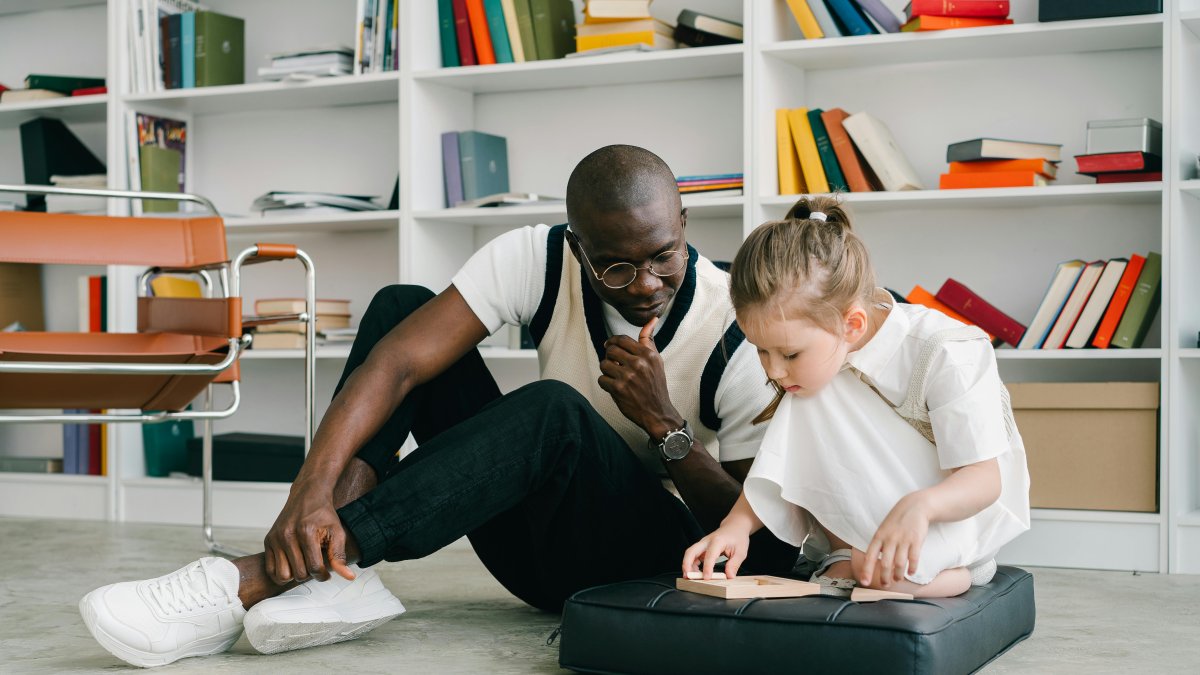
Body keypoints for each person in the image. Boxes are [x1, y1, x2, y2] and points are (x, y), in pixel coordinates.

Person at [79, 145, 795, 668]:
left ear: (684, 224)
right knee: (402, 311)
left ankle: (254, 578)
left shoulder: (735, 328)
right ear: (577, 246)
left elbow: (758, 549)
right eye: (615, 264)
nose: (644, 284)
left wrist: (664, 424)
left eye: (664, 255)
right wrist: (308, 493)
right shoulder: (536, 259)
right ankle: (330, 568)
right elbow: (395, 365)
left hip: (643, 566)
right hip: (530, 550)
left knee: (553, 413)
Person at [682, 195, 1031, 598]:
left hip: (953, 513)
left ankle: (969, 570)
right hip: (872, 523)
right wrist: (736, 526)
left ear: (853, 324)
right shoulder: (813, 362)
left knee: (875, 568)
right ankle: (848, 551)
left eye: (789, 353)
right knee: (809, 389)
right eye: (762, 350)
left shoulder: (948, 351)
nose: (773, 370)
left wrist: (922, 506)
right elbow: (780, 461)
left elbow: (985, 480)